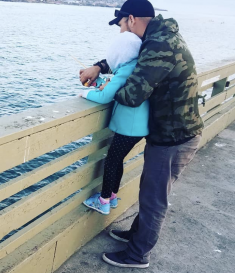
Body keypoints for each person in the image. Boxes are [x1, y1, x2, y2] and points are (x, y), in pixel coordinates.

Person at [79, 0, 204, 269]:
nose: (122, 33)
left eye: (122, 25)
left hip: (175, 137)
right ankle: (136, 236)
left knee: (153, 200)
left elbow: (132, 94)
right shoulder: (158, 37)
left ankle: (138, 255)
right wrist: (100, 66)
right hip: (169, 132)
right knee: (150, 193)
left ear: (132, 19)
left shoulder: (160, 44)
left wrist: (108, 86)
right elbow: (133, 61)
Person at [81, 31, 149, 215]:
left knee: (111, 161)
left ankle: (102, 201)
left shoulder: (126, 69)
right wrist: (101, 85)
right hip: (139, 126)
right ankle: (112, 196)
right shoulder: (137, 67)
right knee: (118, 159)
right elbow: (115, 89)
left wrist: (85, 93)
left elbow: (104, 97)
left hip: (129, 127)